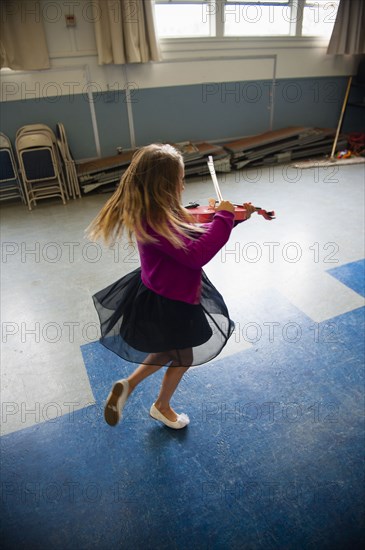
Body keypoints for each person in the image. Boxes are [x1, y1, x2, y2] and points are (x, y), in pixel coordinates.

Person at [87, 144, 255, 430]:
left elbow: (196, 235)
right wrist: (225, 218)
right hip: (173, 300)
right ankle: (161, 407)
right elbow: (196, 254)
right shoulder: (156, 221)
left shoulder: (157, 213)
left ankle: (129, 385)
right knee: (183, 355)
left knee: (170, 350)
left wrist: (231, 219)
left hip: (158, 293)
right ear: (166, 185)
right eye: (180, 179)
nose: (183, 184)